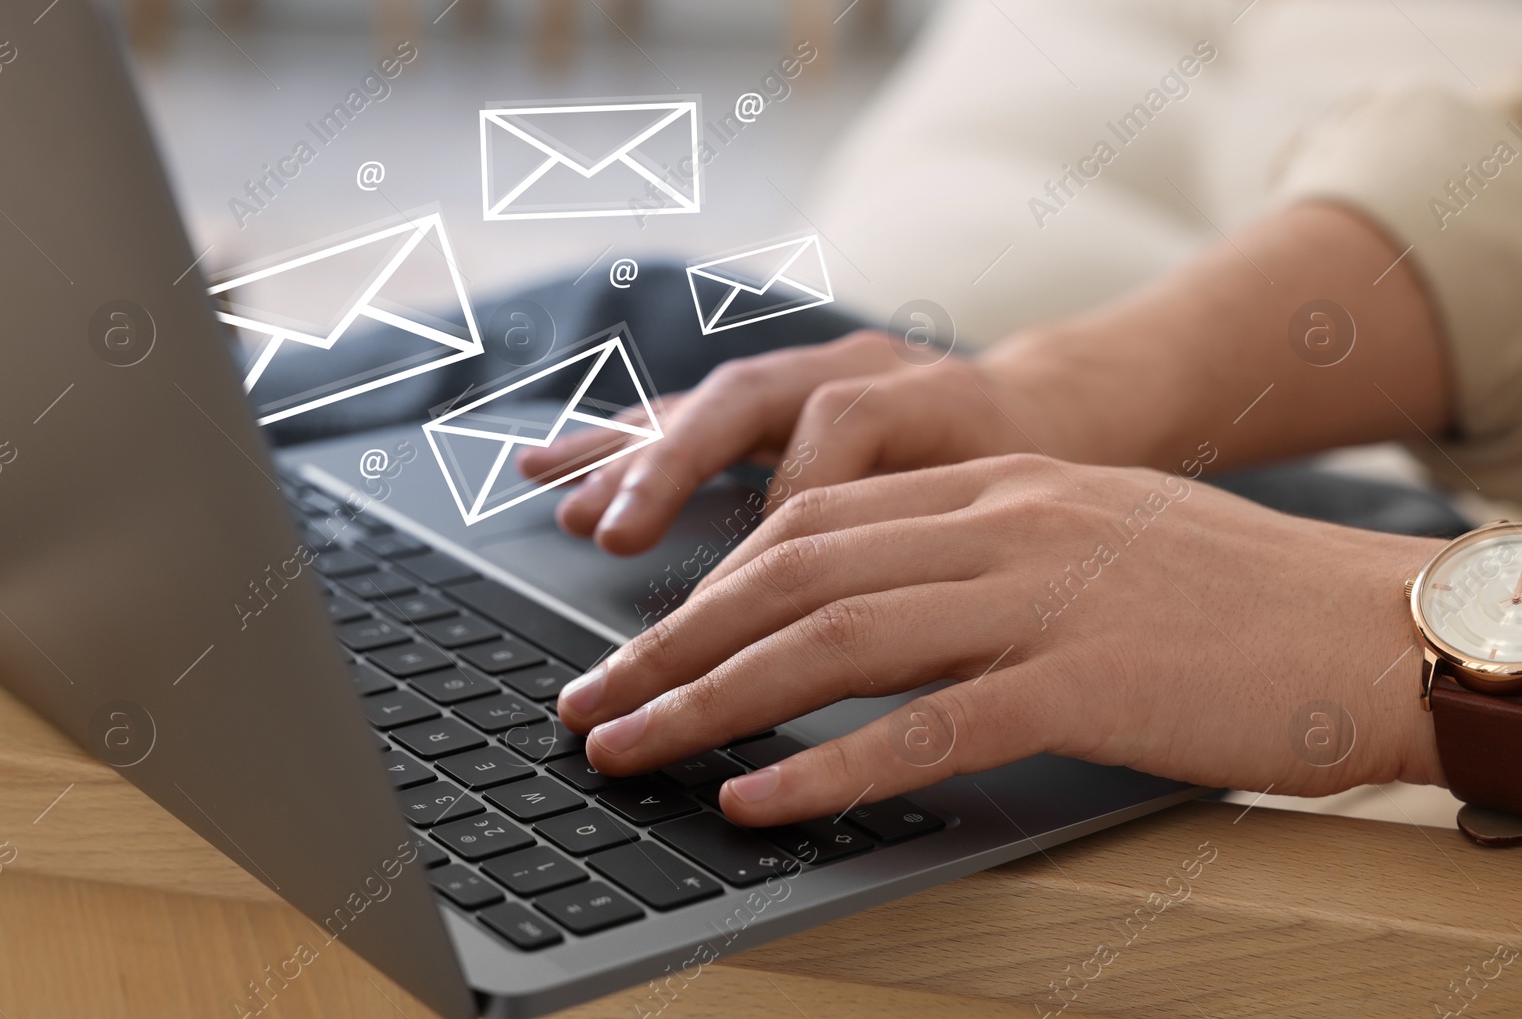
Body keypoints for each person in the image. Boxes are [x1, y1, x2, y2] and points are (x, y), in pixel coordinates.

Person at [527, 75, 1522, 829]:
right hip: (1455, 568)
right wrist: (1047, 394)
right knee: (652, 337)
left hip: (1436, 645)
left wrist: (1372, 641)